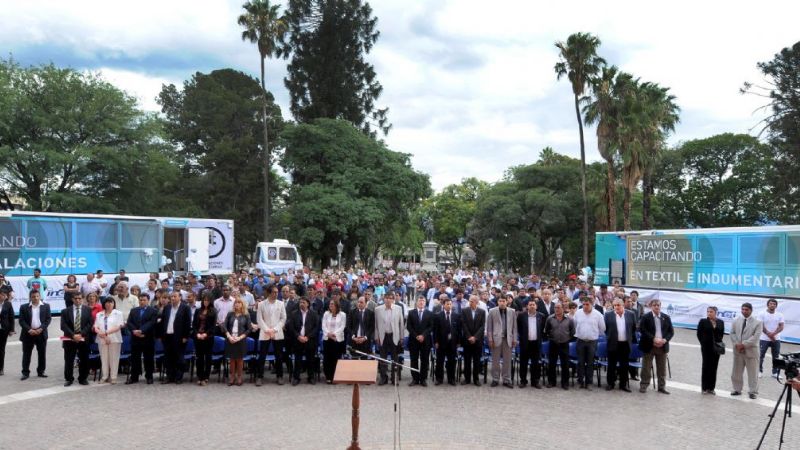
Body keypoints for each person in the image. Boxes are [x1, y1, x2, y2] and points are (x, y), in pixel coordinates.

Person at [639, 300, 674, 394]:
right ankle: (644, 385)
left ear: (660, 306)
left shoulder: (666, 317)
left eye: (658, 305)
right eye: (654, 305)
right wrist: (653, 339)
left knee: (662, 368)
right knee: (646, 368)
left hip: (662, 346)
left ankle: (661, 387)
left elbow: (671, 332)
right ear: (651, 306)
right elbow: (642, 330)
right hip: (649, 346)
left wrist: (664, 340)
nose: (656, 307)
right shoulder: (646, 317)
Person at [257, 286, 288, 386]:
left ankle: (280, 376)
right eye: (274, 292)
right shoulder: (261, 304)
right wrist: (267, 330)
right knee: (262, 356)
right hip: (265, 333)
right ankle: (259, 377)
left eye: (277, 292)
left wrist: (274, 330)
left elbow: (283, 318)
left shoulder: (281, 303)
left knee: (278, 356)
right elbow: (259, 319)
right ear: (269, 293)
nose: (276, 294)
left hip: (277, 333)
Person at [731, 302, 762, 399]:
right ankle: (737, 389)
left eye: (746, 310)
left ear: (751, 310)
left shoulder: (758, 322)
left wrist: (743, 345)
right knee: (736, 372)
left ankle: (753, 392)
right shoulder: (736, 320)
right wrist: (737, 344)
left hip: (751, 352)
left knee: (753, 373)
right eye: (743, 309)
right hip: (738, 351)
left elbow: (755, 337)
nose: (744, 311)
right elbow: (732, 333)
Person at [604, 299, 636, 392]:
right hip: (613, 343)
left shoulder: (631, 314)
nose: (616, 307)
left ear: (623, 305)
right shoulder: (608, 315)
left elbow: (633, 328)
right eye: (615, 305)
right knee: (611, 365)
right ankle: (610, 383)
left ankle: (623, 384)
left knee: (624, 365)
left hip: (625, 344)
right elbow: (605, 329)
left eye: (618, 305)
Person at [573, 297, 605, 389]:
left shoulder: (598, 315)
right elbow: (574, 325)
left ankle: (589, 382)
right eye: (584, 304)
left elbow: (602, 329)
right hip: (580, 341)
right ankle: (580, 381)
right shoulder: (578, 313)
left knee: (590, 362)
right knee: (580, 362)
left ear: (592, 304)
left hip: (592, 342)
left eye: (587, 304)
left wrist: (593, 334)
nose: (585, 306)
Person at [160, 291, 192, 384]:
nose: (172, 298)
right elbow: (163, 322)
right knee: (168, 357)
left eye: (175, 296)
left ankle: (178, 377)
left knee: (179, 357)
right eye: (171, 297)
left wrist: (185, 336)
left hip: (179, 336)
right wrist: (162, 335)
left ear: (180, 297)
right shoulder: (167, 307)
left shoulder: (185, 308)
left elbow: (188, 322)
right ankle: (169, 376)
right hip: (167, 336)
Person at [286, 297, 320, 386]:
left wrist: (307, 337)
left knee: (310, 360)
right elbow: (291, 327)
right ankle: (296, 377)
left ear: (308, 304)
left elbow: (316, 328)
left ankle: (311, 377)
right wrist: (298, 336)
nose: (301, 304)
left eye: (303, 302)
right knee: (297, 360)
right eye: (300, 302)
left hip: (310, 340)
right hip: (298, 340)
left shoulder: (314, 314)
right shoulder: (294, 314)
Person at [61, 293, 92, 386]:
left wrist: (81, 334)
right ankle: (69, 379)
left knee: (84, 359)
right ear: (72, 299)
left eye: (79, 298)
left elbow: (90, 324)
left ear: (82, 299)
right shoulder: (65, 311)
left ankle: (83, 378)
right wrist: (73, 335)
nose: (78, 300)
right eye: (76, 298)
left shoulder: (88, 310)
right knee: (69, 360)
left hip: (84, 338)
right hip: (70, 339)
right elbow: (63, 325)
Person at [19, 290, 51, 380]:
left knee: (42, 354)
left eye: (37, 296)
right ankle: (25, 373)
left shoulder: (46, 306)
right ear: (30, 297)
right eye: (33, 296)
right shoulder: (24, 307)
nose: (36, 298)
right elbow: (21, 321)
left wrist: (41, 329)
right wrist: (29, 330)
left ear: (40, 296)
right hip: (28, 334)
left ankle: (41, 371)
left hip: (41, 334)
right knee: (26, 354)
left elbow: (48, 319)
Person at [126, 293, 158, 385]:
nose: (142, 301)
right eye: (140, 300)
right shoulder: (133, 310)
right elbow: (129, 322)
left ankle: (149, 377)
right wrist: (135, 331)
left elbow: (151, 323)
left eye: (144, 300)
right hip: (135, 338)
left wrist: (141, 331)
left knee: (148, 359)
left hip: (147, 338)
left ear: (148, 300)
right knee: (135, 359)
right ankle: (134, 377)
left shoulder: (153, 311)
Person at [374, 291, 404, 386]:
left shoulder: (398, 309)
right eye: (386, 298)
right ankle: (383, 378)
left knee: (395, 358)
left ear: (393, 299)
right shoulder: (378, 309)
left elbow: (401, 324)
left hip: (394, 336)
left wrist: (401, 337)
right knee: (383, 358)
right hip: (383, 336)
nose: (388, 300)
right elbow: (376, 325)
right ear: (384, 299)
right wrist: (377, 336)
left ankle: (394, 378)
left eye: (390, 298)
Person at [487, 294, 517, 388]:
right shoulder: (492, 311)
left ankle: (506, 379)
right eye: (500, 301)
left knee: (507, 361)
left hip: (508, 339)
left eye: (504, 301)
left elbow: (514, 327)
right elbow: (489, 327)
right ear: (497, 302)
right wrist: (490, 339)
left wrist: (514, 339)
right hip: (496, 339)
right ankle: (495, 379)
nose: (502, 303)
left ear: (507, 302)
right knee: (495, 360)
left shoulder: (512, 311)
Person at [94, 297, 124, 384]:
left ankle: (113, 377)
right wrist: (101, 334)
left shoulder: (118, 313)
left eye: (111, 302)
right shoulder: (99, 314)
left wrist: (106, 333)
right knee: (104, 358)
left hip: (114, 338)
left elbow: (118, 326)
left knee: (114, 358)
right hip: (101, 339)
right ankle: (104, 376)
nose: (109, 304)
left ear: (114, 304)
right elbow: (96, 326)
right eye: (107, 302)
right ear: (104, 304)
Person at [544, 302, 574, 390]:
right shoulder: (550, 318)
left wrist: (567, 339)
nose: (557, 309)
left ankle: (565, 383)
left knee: (565, 364)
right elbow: (547, 330)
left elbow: (572, 332)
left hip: (564, 344)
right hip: (553, 343)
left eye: (558, 307)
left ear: (563, 308)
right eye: (555, 307)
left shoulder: (569, 319)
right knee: (552, 363)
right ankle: (551, 382)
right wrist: (551, 337)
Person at [517, 299, 545, 388]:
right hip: (525, 343)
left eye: (533, 304)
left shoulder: (541, 316)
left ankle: (535, 381)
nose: (532, 306)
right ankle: (523, 381)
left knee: (536, 364)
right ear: (527, 306)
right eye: (530, 305)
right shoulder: (521, 316)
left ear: (536, 306)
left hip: (536, 343)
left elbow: (543, 330)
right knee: (523, 363)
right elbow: (518, 328)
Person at [433, 297, 461, 386]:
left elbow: (459, 330)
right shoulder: (438, 316)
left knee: (451, 361)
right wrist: (436, 342)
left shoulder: (456, 316)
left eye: (450, 304)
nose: (449, 306)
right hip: (441, 343)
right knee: (439, 361)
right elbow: (435, 330)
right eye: (447, 304)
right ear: (443, 305)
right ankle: (439, 378)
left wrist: (458, 342)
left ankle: (451, 379)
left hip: (452, 343)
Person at [697, 306, 724, 395]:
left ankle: (711, 388)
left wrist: (717, 343)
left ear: (716, 313)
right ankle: (704, 388)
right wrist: (703, 343)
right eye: (708, 311)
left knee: (714, 367)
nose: (709, 313)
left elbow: (721, 334)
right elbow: (699, 334)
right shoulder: (703, 321)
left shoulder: (720, 322)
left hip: (717, 348)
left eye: (711, 311)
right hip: (706, 348)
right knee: (706, 367)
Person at [406, 295, 433, 387]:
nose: (421, 302)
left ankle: (423, 379)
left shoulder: (429, 313)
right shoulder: (411, 313)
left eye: (423, 301)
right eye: (420, 301)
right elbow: (408, 326)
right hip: (414, 340)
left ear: (425, 303)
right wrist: (416, 336)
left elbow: (430, 327)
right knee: (414, 360)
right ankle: (415, 378)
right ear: (416, 302)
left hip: (425, 341)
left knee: (424, 360)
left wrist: (423, 335)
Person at [225, 297, 251, 386]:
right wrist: (229, 336)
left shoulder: (246, 315)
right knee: (232, 359)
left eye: (239, 303)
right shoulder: (230, 314)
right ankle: (232, 376)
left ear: (242, 304)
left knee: (240, 359)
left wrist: (240, 337)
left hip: (241, 340)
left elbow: (249, 329)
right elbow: (224, 326)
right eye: (236, 302)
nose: (237, 304)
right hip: (231, 339)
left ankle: (239, 376)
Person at [192, 293, 217, 386]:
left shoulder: (213, 311)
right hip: (198, 337)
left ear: (210, 301)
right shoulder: (198, 310)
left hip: (208, 337)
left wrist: (206, 334)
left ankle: (206, 376)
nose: (206, 302)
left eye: (207, 300)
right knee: (199, 357)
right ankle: (200, 376)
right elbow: (194, 324)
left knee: (208, 357)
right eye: (204, 300)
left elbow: (213, 326)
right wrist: (197, 334)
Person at [461, 294, 486, 386]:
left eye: (472, 301)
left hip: (477, 340)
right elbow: (463, 325)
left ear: (477, 302)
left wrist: (475, 337)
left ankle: (476, 379)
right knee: (467, 360)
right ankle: (467, 379)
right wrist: (469, 337)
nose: (470, 302)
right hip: (467, 340)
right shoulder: (464, 311)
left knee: (476, 361)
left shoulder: (482, 312)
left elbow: (482, 326)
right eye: (469, 301)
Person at [758, 298, 784, 379]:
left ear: (776, 306)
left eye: (774, 304)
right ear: (768, 305)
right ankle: (759, 371)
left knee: (776, 356)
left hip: (776, 339)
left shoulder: (780, 315)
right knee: (761, 355)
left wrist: (774, 334)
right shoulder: (762, 314)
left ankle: (775, 373)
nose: (772, 305)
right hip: (763, 339)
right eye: (771, 304)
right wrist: (769, 334)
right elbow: (760, 325)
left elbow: (781, 326)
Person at [321, 299, 346, 384]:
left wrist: (334, 334)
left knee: (336, 358)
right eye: (330, 304)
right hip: (327, 338)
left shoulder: (342, 314)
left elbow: (342, 326)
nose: (330, 305)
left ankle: (336, 376)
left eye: (332, 304)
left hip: (337, 339)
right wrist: (328, 334)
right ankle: (328, 376)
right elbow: (323, 325)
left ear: (337, 305)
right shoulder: (326, 314)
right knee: (327, 358)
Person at [0, 289, 15, 375]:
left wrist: (12, 330)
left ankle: (1, 368)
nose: (5, 296)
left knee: (1, 349)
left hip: (3, 330)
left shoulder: (8, 304)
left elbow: (11, 317)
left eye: (5, 295)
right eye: (2, 294)